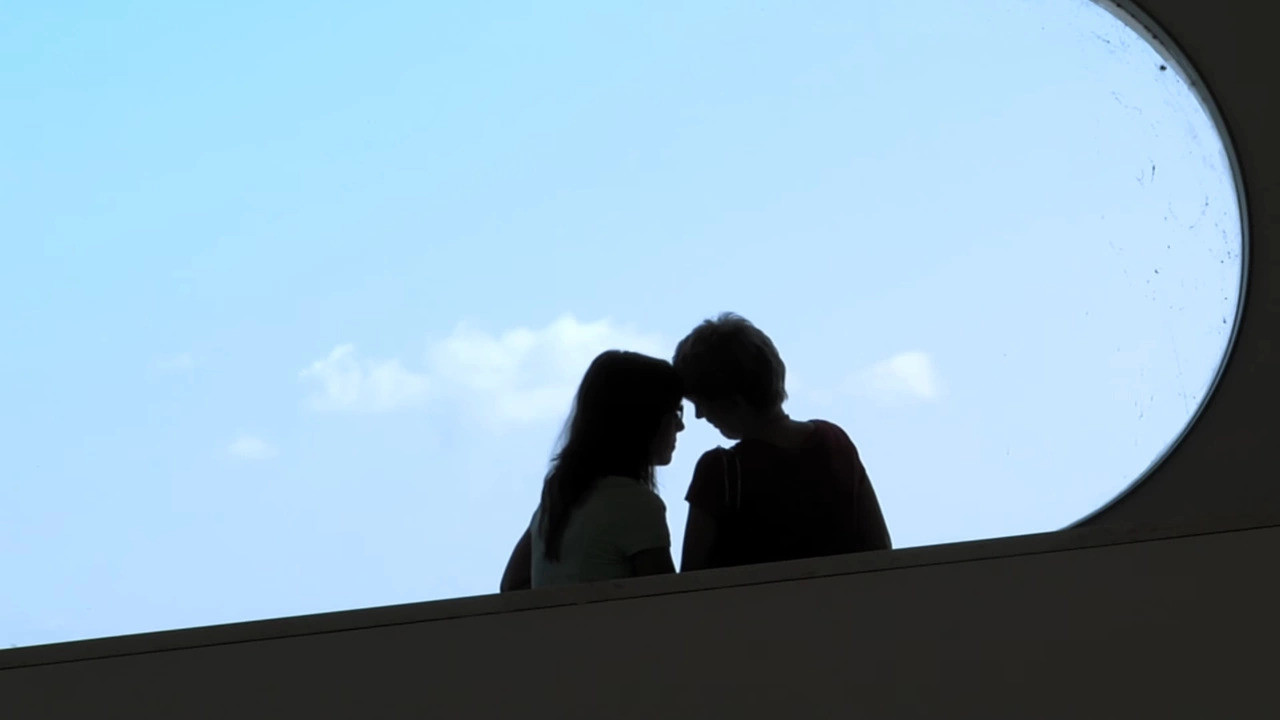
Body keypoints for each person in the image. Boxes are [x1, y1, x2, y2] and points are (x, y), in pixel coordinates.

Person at [673, 313, 891, 572]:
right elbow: (881, 549)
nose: (699, 415)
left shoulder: (720, 471)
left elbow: (691, 581)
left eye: (701, 403)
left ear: (734, 402)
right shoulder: (835, 441)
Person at [500, 350, 685, 591]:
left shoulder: (560, 495)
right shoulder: (635, 503)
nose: (680, 426)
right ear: (643, 420)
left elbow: (512, 585)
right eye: (675, 413)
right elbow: (669, 600)